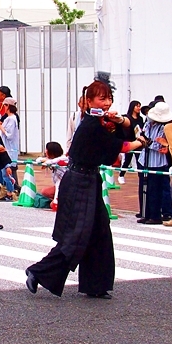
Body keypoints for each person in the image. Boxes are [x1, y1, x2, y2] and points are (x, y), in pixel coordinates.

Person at [25, 78, 146, 299]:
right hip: (79, 182)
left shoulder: (100, 121)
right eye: (102, 98)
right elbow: (122, 146)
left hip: (89, 179)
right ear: (89, 101)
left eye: (109, 98)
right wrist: (142, 142)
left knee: (100, 230)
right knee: (77, 235)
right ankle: (39, 272)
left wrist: (120, 120)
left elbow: (126, 127)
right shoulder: (91, 125)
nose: (107, 103)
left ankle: (95, 285)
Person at [137, 102, 172, 224]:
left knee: (155, 190)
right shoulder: (147, 124)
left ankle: (156, 216)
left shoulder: (163, 127)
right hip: (144, 160)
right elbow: (143, 137)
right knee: (144, 188)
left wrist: (147, 142)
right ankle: (145, 214)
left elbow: (159, 145)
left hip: (157, 162)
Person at [0, 97, 20, 202]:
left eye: (4, 105)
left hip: (9, 150)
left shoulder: (12, 119)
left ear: (8, 106)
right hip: (3, 149)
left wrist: (0, 127)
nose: (3, 107)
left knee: (6, 173)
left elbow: (9, 135)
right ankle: (3, 190)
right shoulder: (9, 118)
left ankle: (10, 192)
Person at [118, 100, 143, 184]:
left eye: (139, 106)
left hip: (138, 141)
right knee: (127, 160)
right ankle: (121, 175)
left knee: (139, 160)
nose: (139, 108)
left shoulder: (140, 119)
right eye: (137, 106)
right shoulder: (127, 117)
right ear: (132, 107)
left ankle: (141, 178)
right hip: (129, 141)